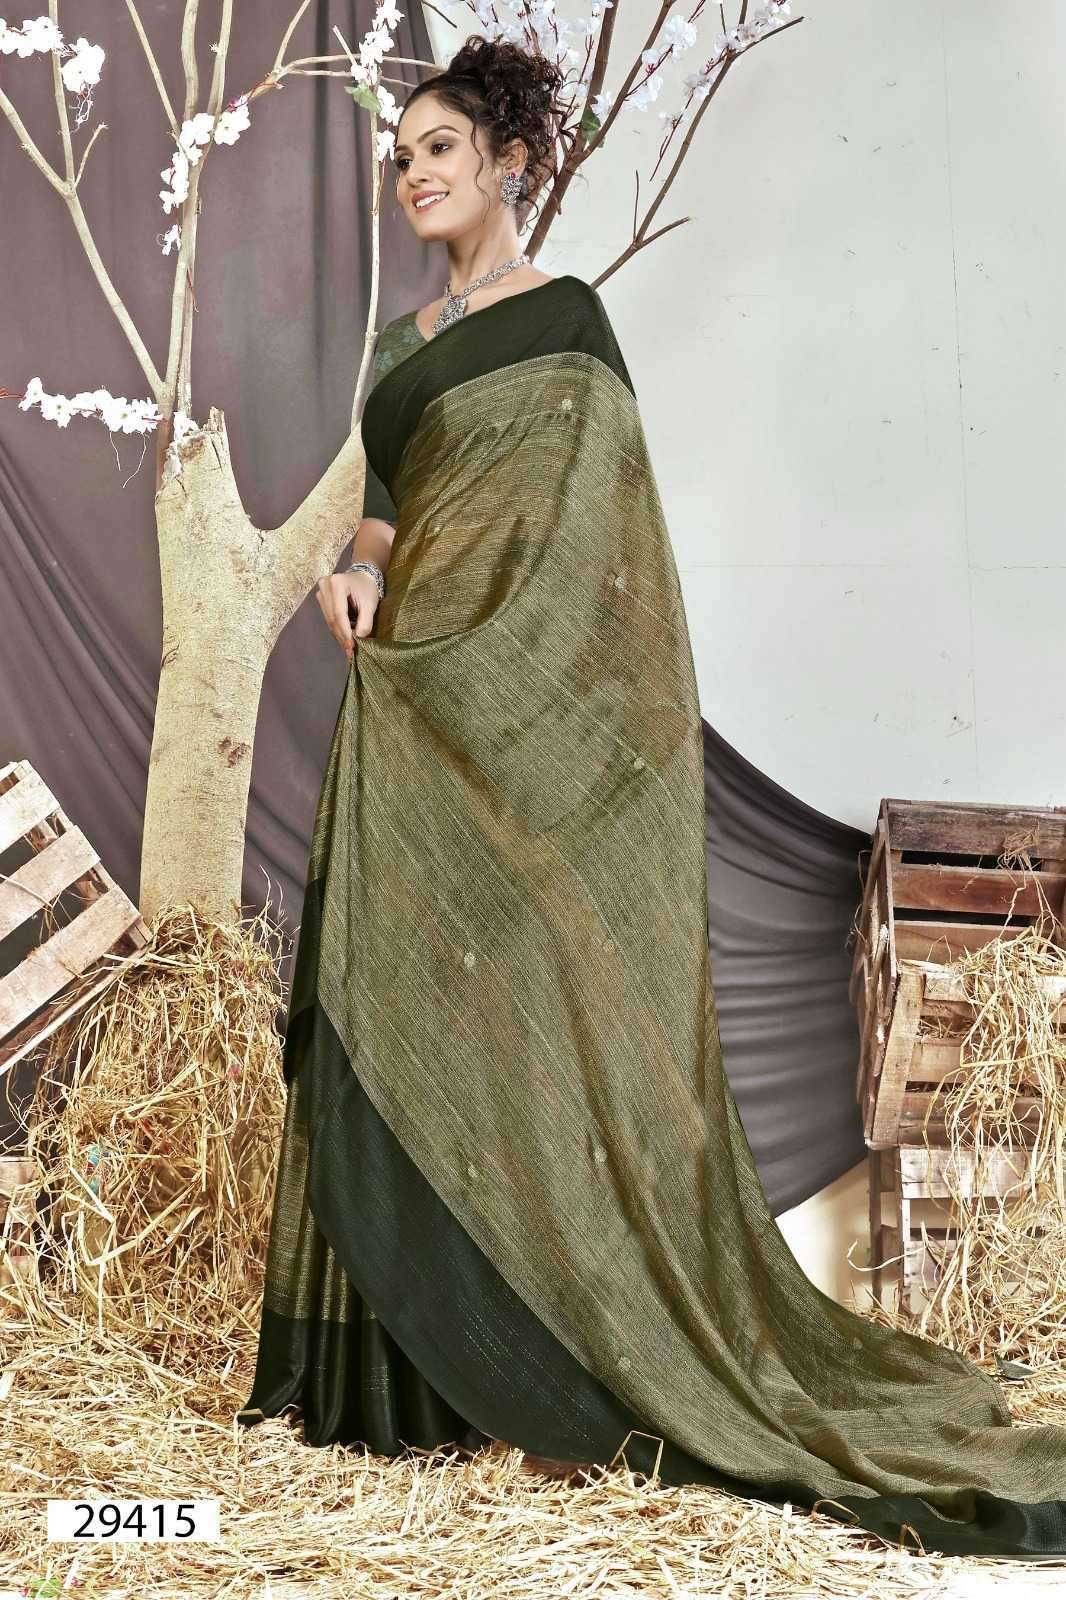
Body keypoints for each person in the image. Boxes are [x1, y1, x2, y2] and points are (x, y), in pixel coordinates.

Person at [238, 35, 1066, 1558]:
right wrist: (356, 572)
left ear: (508, 163)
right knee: (412, 1001)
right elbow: (389, 514)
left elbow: (600, 552)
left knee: (539, 1019)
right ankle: (410, 1380)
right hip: (416, 713)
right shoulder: (398, 350)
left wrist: (537, 700)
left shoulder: (565, 319)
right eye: (401, 155)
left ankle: (567, 1351)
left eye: (440, 148)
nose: (414, 174)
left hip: (528, 734)